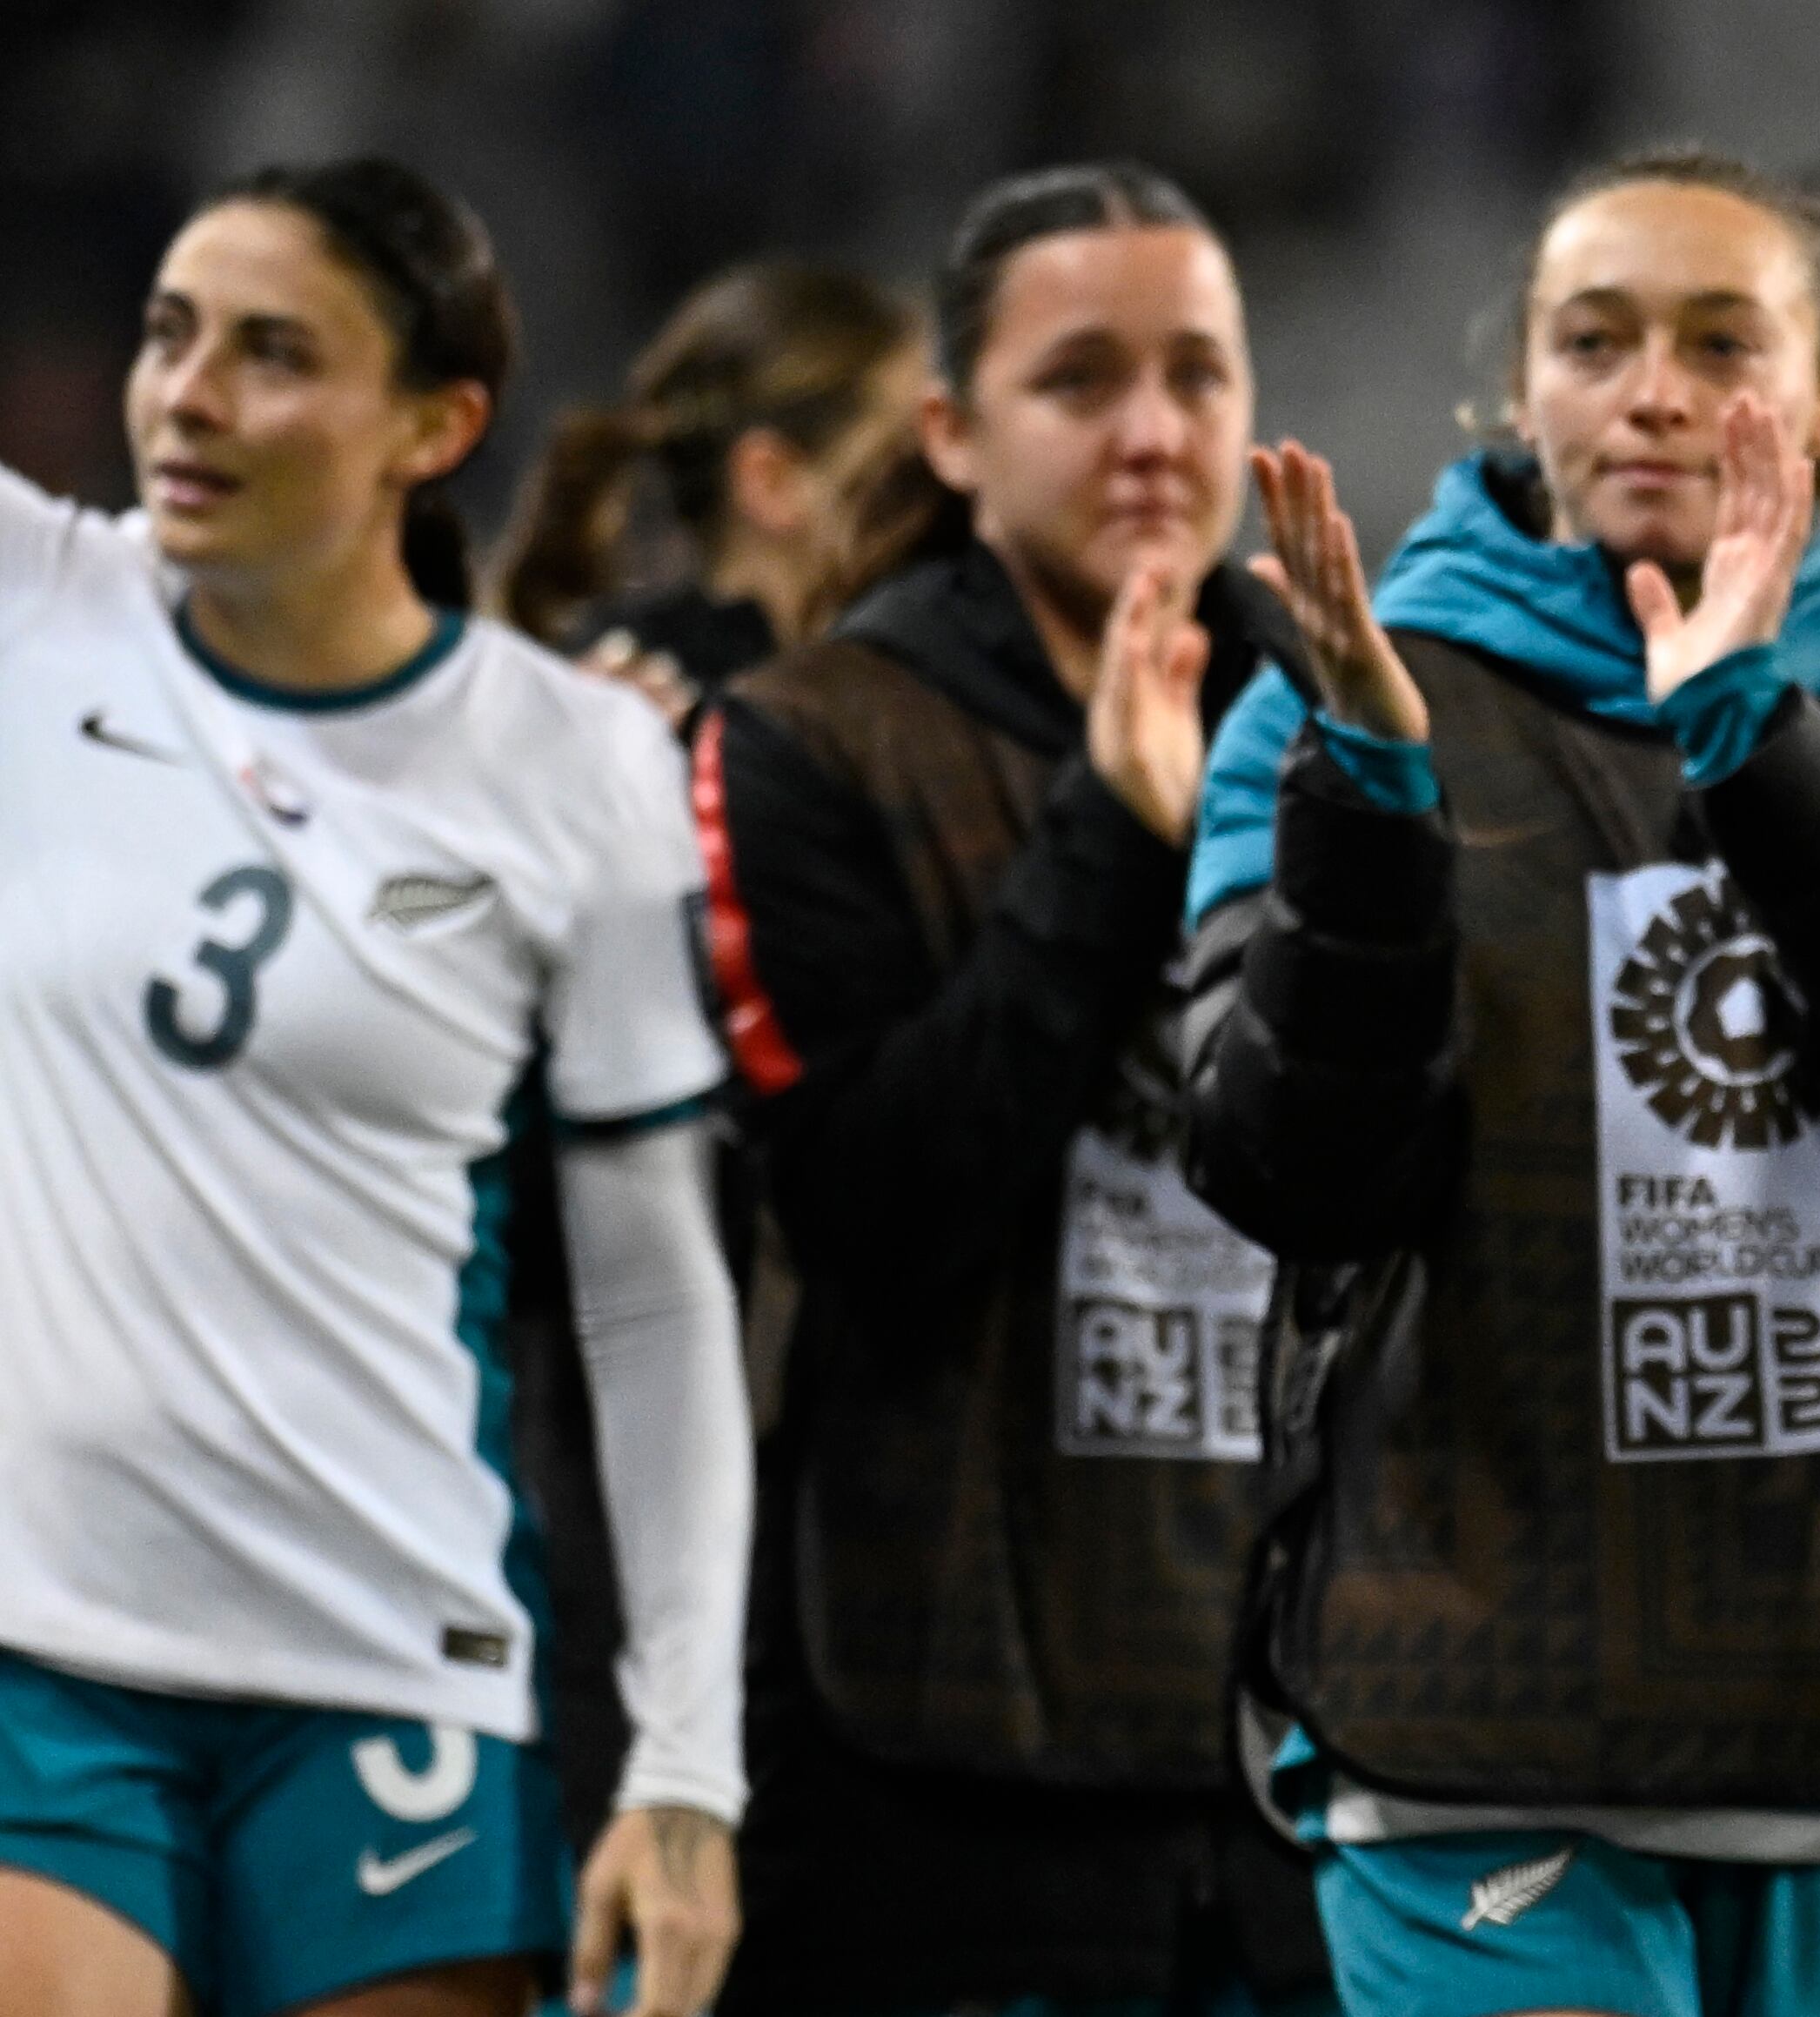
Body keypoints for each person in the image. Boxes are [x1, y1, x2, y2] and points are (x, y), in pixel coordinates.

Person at [1183, 147, 1820, 2017]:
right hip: (1468, 1720)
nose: (1650, 388)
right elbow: (1289, 1172)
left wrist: (1753, 728)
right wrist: (1370, 801)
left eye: (1714, 338)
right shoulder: (1332, 705)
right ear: (1522, 392)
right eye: (1594, 340)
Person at [0, 158, 746, 2017]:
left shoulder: (575, 764)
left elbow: (655, 1298)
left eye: (272, 355)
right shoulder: (35, 609)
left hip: (391, 1660)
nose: (187, 394)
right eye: (172, 336)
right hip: (42, 1645)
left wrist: (683, 1764)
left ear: (437, 422)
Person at [691, 163, 1329, 2016]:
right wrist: (1113, 834)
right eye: (1080, 381)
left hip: (1292, 1746)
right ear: (954, 436)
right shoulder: (809, 737)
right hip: (934, 1765)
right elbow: (883, 1206)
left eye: (1197, 375)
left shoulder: (1350, 714)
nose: (1151, 431)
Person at [489, 259, 921, 1872]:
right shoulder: (764, 724)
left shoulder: (572, 681)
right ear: (774, 481)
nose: (943, 489)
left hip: (573, 1419)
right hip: (645, 1437)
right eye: (899, 449)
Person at [498, 260, 925, 728]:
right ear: (772, 480)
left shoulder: (912, 674)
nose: (952, 492)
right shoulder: (636, 710)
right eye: (905, 465)